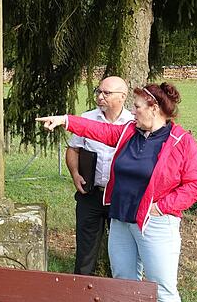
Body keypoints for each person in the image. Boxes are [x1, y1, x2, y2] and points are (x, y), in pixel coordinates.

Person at [37, 82, 197, 302]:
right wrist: (65, 120)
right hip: (120, 219)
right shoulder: (129, 132)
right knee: (122, 284)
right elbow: (97, 130)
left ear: (154, 108)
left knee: (162, 289)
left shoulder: (181, 141)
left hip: (154, 223)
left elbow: (195, 184)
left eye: (137, 107)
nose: (133, 112)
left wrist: (161, 207)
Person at [66, 76, 133, 276]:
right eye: (99, 91)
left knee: (122, 251)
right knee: (85, 250)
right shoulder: (86, 119)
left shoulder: (132, 123)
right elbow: (73, 149)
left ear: (122, 96)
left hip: (119, 197)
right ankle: (81, 290)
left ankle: (117, 290)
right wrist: (75, 174)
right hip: (91, 194)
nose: (100, 97)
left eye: (106, 93)